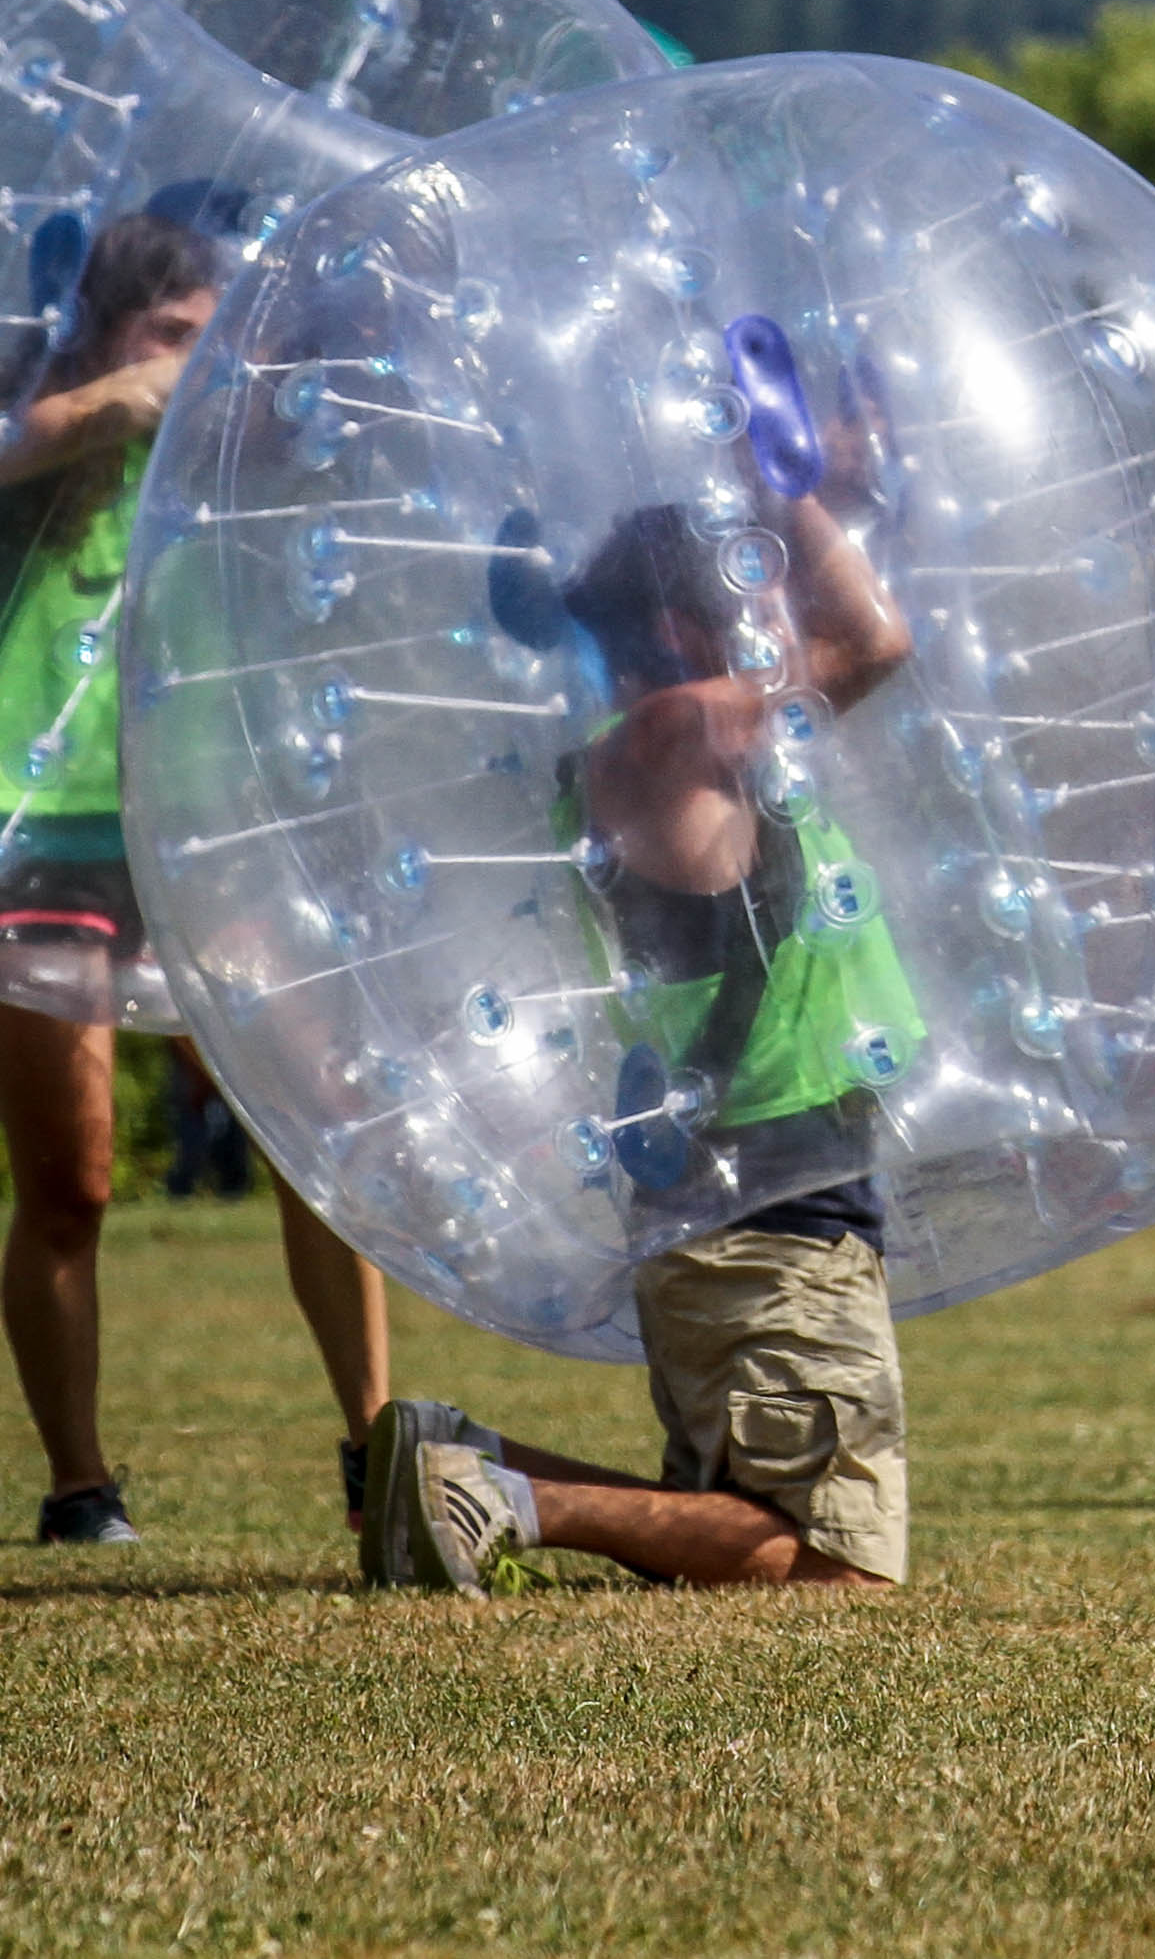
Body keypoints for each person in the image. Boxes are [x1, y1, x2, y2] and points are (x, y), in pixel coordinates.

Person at [360, 441, 921, 1596]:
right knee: (833, 1565)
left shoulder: (658, 751)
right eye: (753, 593)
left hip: (744, 1215)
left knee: (733, 1525)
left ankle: (464, 1462)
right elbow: (873, 644)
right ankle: (501, 1499)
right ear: (682, 628)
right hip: (772, 1224)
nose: (779, 614)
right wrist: (784, 479)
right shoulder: (678, 736)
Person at [0, 206, 392, 1546]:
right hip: (21, 822)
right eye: (173, 336)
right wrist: (113, 404)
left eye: (215, 340)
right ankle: (81, 1484)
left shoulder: (243, 464)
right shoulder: (22, 432)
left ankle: (377, 1452)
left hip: (199, 823)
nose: (198, 365)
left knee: (318, 1129)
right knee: (73, 1181)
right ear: (110, 336)